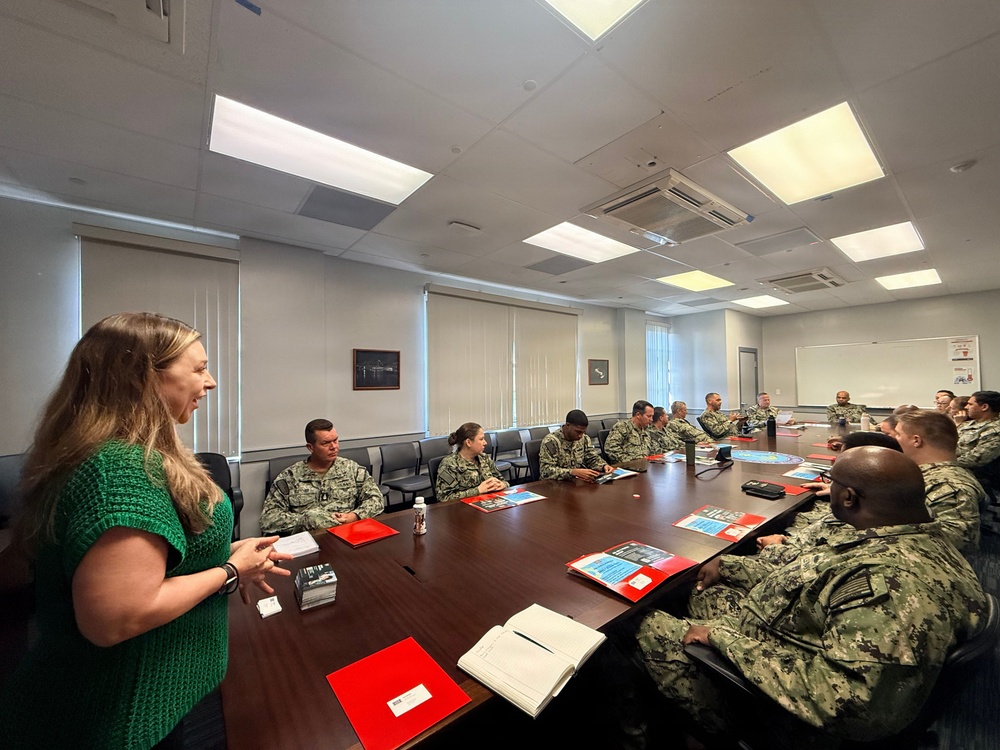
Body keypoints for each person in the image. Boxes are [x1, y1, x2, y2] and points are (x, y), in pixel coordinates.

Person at [0, 312, 292, 749]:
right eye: (197, 369)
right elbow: (116, 617)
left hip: (141, 703)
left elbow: (149, 560)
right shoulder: (118, 471)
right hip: (115, 715)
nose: (210, 382)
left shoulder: (122, 456)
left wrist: (227, 554)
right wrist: (230, 571)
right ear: (141, 377)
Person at [633, 446, 986, 747]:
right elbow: (813, 577)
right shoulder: (908, 539)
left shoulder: (892, 584)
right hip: (796, 634)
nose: (827, 490)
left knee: (634, 624)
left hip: (778, 711)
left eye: (832, 484)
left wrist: (719, 637)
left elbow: (846, 703)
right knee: (702, 587)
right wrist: (729, 566)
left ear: (848, 497)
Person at [260, 419, 385, 535]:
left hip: (346, 534)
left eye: (335, 440)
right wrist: (307, 520)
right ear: (310, 447)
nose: (334, 447)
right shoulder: (290, 477)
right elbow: (268, 519)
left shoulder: (352, 469)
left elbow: (376, 499)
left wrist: (354, 516)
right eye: (325, 443)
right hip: (307, 539)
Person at [894, 410, 982, 555]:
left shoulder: (949, 486)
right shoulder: (929, 475)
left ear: (916, 440)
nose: (894, 439)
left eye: (898, 434)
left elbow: (958, 542)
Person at [435, 422, 508, 502]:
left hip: (489, 504)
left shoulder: (484, 458)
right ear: (468, 442)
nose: (485, 443)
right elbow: (444, 498)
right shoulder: (450, 464)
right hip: (463, 510)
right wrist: (478, 491)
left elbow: (503, 481)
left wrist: (502, 485)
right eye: (481, 439)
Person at [539, 410, 612, 482]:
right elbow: (545, 471)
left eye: (583, 432)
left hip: (575, 483)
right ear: (568, 425)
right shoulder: (551, 442)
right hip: (554, 485)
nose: (580, 436)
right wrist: (572, 472)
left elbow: (591, 458)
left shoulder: (584, 438)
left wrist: (603, 466)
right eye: (578, 432)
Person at [956, 390, 1000, 478]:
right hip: (956, 468)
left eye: (970, 404)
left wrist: (943, 462)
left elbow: (975, 458)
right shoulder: (967, 424)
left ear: (984, 407)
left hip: (978, 478)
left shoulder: (996, 430)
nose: (966, 407)